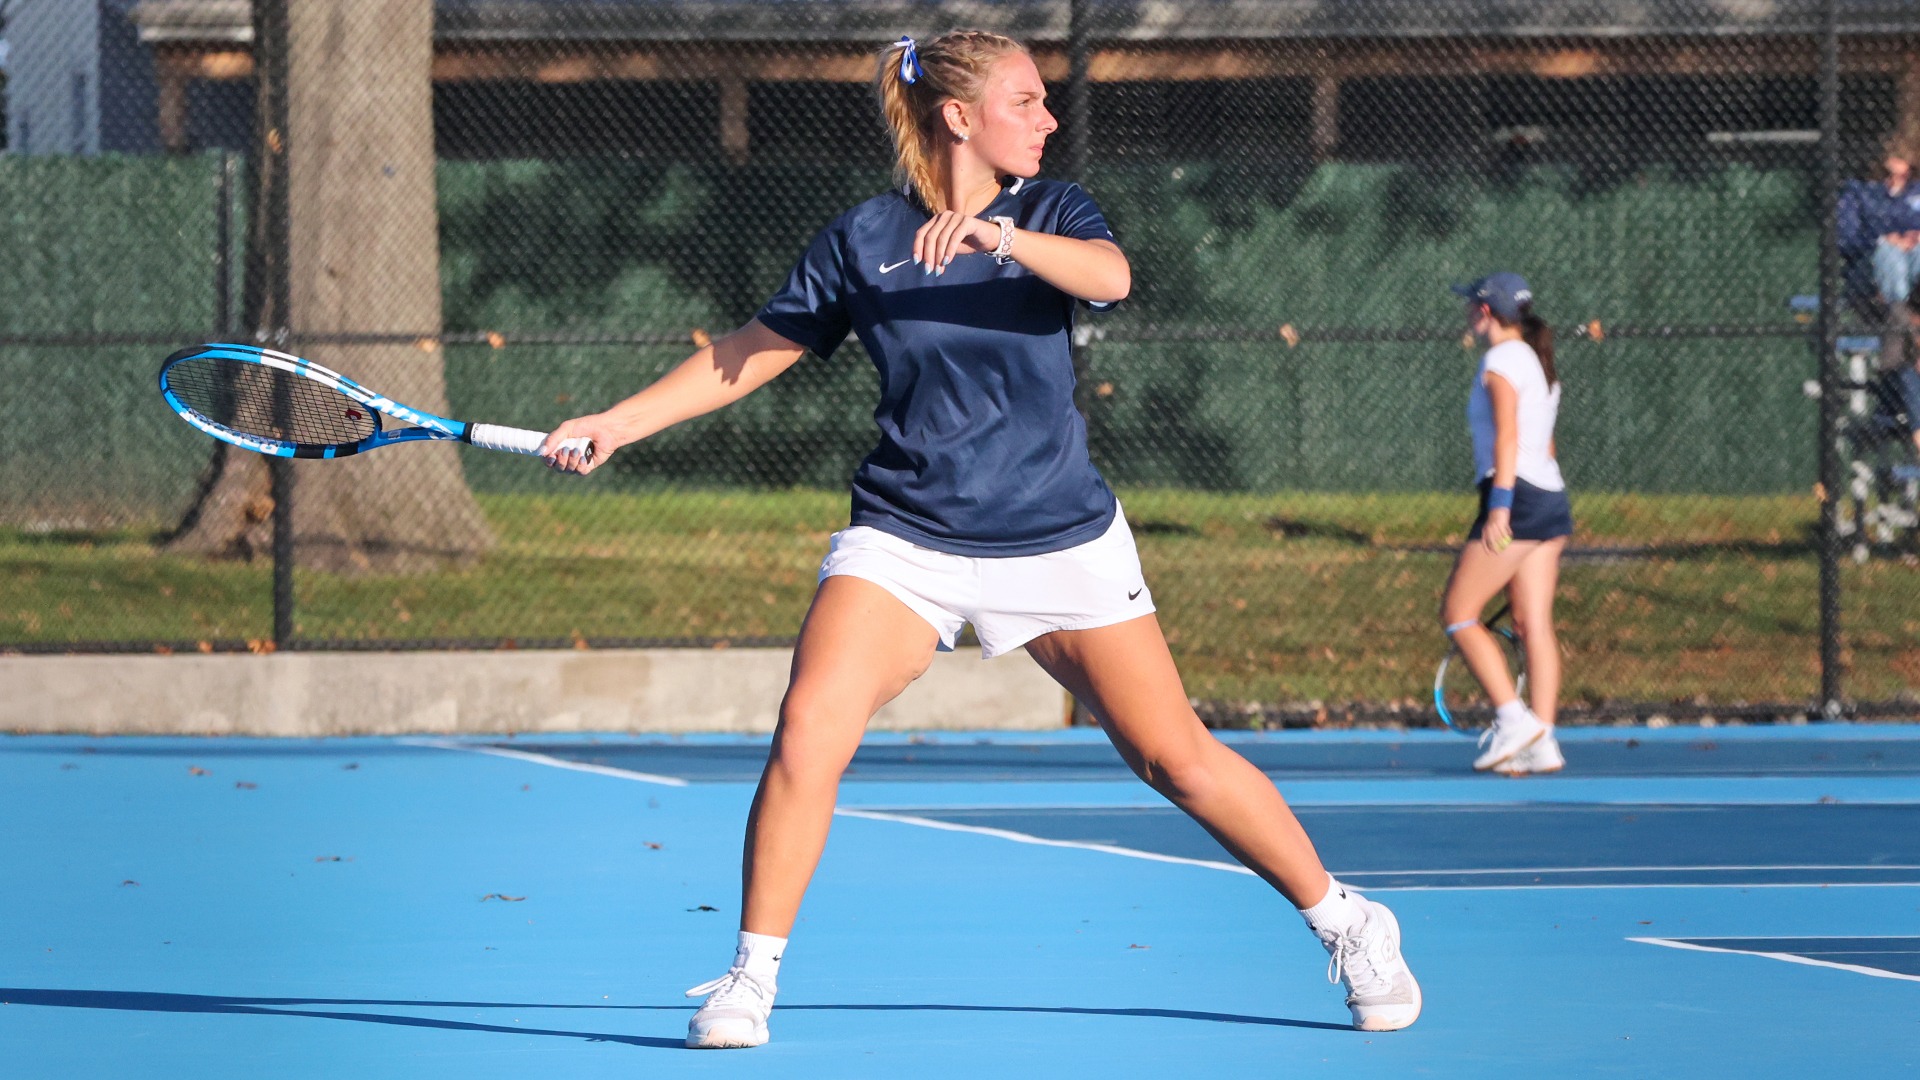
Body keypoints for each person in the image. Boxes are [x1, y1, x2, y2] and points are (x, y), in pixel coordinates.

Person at [538, 30, 1420, 1049]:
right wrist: (615, 422)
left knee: (1176, 762)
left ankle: (1348, 921)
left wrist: (996, 240)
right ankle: (750, 977)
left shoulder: (1053, 211)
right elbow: (749, 351)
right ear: (961, 117)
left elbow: (1111, 276)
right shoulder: (860, 236)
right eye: (1028, 101)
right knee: (810, 724)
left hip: (1058, 538)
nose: (1048, 119)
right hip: (906, 538)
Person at [1441, 273, 1572, 776]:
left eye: (1471, 307)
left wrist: (1500, 507)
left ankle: (1513, 719)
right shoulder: (1536, 361)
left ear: (1487, 312)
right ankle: (1544, 740)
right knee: (1531, 623)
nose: (1467, 315)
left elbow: (1509, 438)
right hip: (1550, 500)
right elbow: (1547, 442)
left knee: (1458, 612)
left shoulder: (1499, 361)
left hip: (1516, 500)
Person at [1838, 134, 1920, 453]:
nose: (1896, 174)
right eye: (1890, 164)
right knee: (1887, 253)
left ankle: (1906, 315)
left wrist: (1910, 236)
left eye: (1903, 164)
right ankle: (1904, 315)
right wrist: (1885, 237)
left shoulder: (1916, 194)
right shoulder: (1860, 193)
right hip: (1871, 281)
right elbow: (1846, 239)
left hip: (1911, 283)